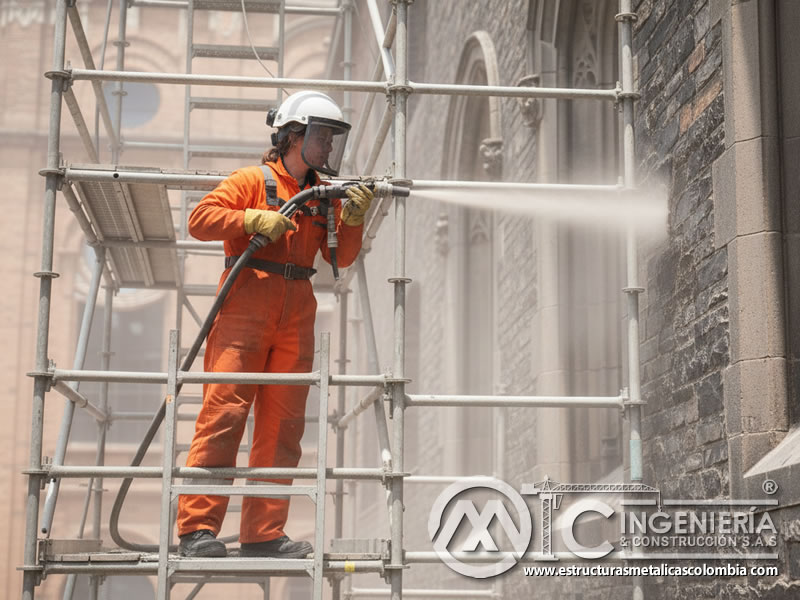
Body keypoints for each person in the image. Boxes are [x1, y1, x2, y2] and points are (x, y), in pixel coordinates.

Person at [176, 91, 373, 558]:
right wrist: (250, 217)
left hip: (296, 310)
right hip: (245, 305)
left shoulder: (324, 196)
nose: (329, 148)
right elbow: (199, 220)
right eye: (322, 137)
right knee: (223, 415)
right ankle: (197, 530)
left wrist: (353, 219)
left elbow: (338, 257)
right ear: (292, 136)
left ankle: (263, 533)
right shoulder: (251, 180)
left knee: (283, 427)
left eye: (331, 138)